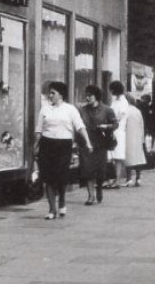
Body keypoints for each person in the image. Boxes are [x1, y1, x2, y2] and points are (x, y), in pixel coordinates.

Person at [35, 82, 90, 220]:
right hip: (47, 144)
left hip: (63, 145)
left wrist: (88, 142)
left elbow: (80, 127)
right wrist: (35, 145)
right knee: (48, 177)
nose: (50, 95)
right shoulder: (45, 109)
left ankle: (62, 200)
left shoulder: (70, 109)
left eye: (53, 93)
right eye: (49, 92)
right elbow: (38, 129)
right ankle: (52, 209)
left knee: (61, 177)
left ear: (61, 94)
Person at [78, 85, 118, 206]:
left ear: (97, 96)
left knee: (100, 171)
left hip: (101, 144)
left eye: (90, 95)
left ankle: (99, 187)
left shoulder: (107, 110)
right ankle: (91, 196)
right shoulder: (82, 110)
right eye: (86, 95)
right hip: (86, 143)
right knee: (87, 170)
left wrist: (106, 126)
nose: (87, 98)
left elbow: (116, 124)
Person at [110, 80, 147, 187]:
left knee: (127, 158)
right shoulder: (137, 111)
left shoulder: (125, 107)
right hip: (137, 137)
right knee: (138, 158)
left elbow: (121, 120)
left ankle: (129, 178)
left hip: (127, 136)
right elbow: (141, 125)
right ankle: (138, 178)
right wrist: (142, 137)